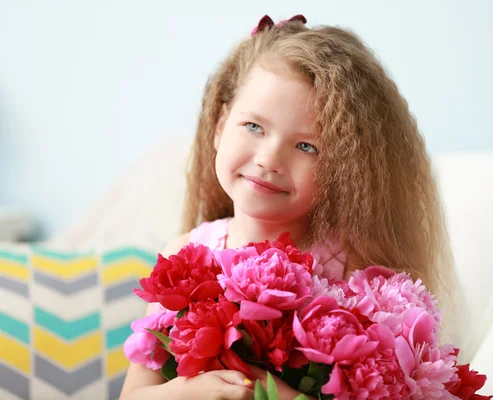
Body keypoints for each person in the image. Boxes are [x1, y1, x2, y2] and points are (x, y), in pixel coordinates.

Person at [120, 13, 458, 400]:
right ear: (219, 126)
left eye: (306, 147)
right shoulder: (182, 255)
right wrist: (186, 392)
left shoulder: (353, 273)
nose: (269, 159)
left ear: (343, 170)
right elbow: (133, 395)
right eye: (253, 127)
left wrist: (276, 394)